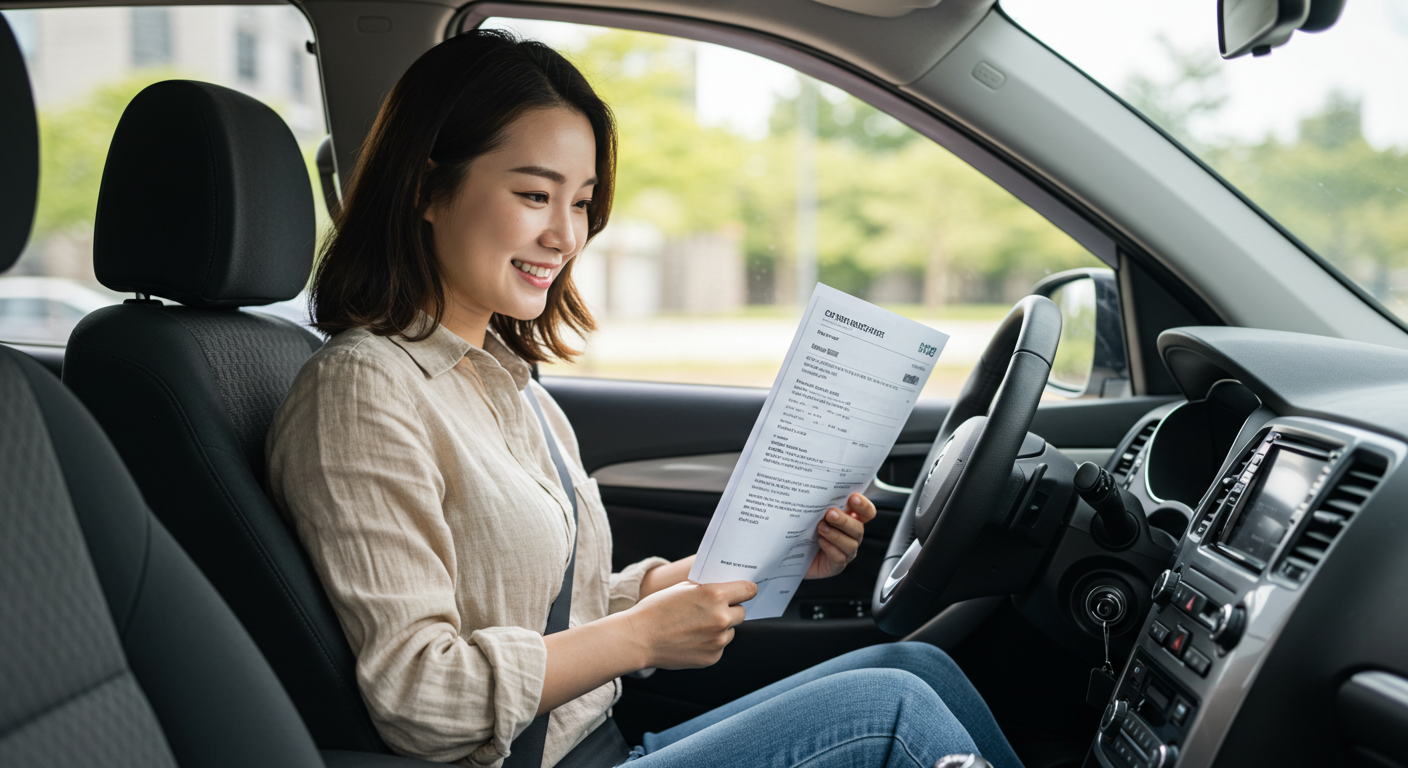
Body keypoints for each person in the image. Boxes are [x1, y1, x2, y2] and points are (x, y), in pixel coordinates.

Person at [266, 29, 1024, 768]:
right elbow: (416, 698)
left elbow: (579, 603)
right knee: (893, 710)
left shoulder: (510, 385)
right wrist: (640, 640)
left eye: (583, 203)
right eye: (535, 195)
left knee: (919, 669)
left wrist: (769, 560)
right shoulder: (362, 392)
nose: (565, 236)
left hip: (605, 742)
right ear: (427, 188)